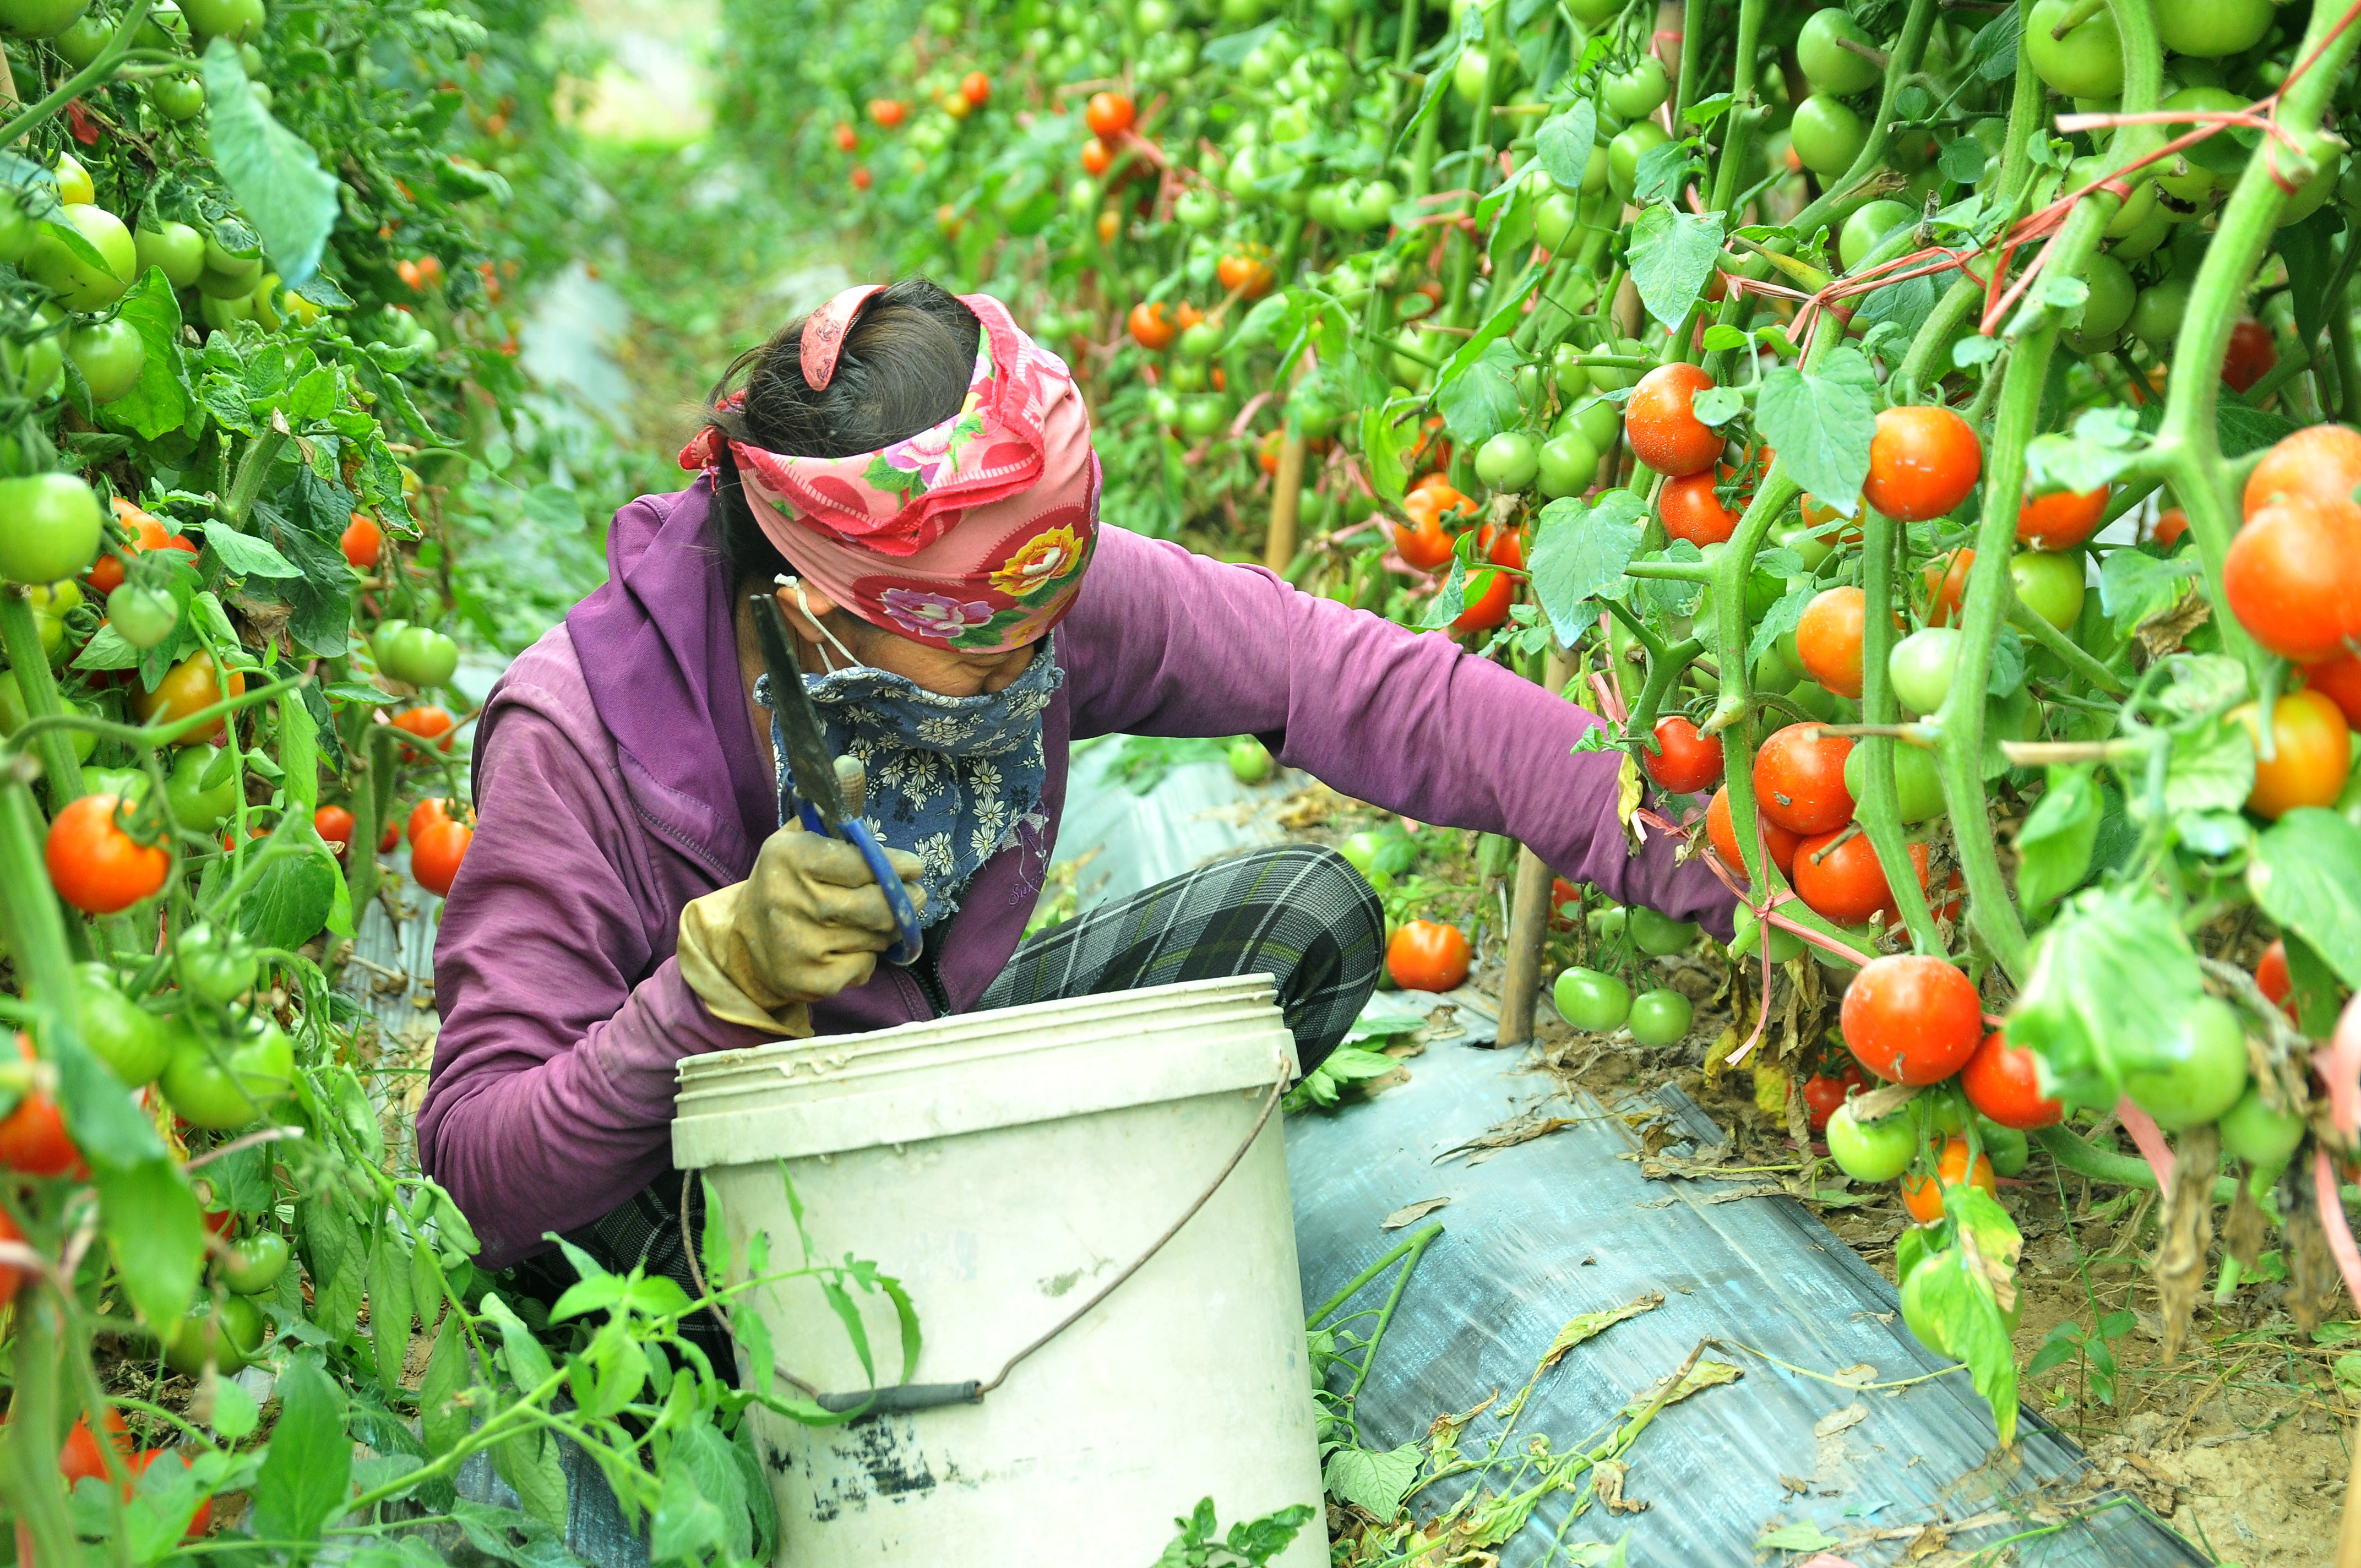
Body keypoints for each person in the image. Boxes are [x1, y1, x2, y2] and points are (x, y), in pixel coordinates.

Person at [418, 279, 1730, 1360]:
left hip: (920, 1094)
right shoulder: (583, 734)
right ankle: (947, 1315)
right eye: (988, 670)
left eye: (1046, 641)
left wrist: (1711, 861)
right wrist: (708, 994)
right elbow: (471, 1174)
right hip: (696, 1207)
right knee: (608, 1283)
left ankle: (994, 1292)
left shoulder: (1014, 598)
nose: (1033, 677)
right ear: (822, 612)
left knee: (1301, 918)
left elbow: (1340, 676)